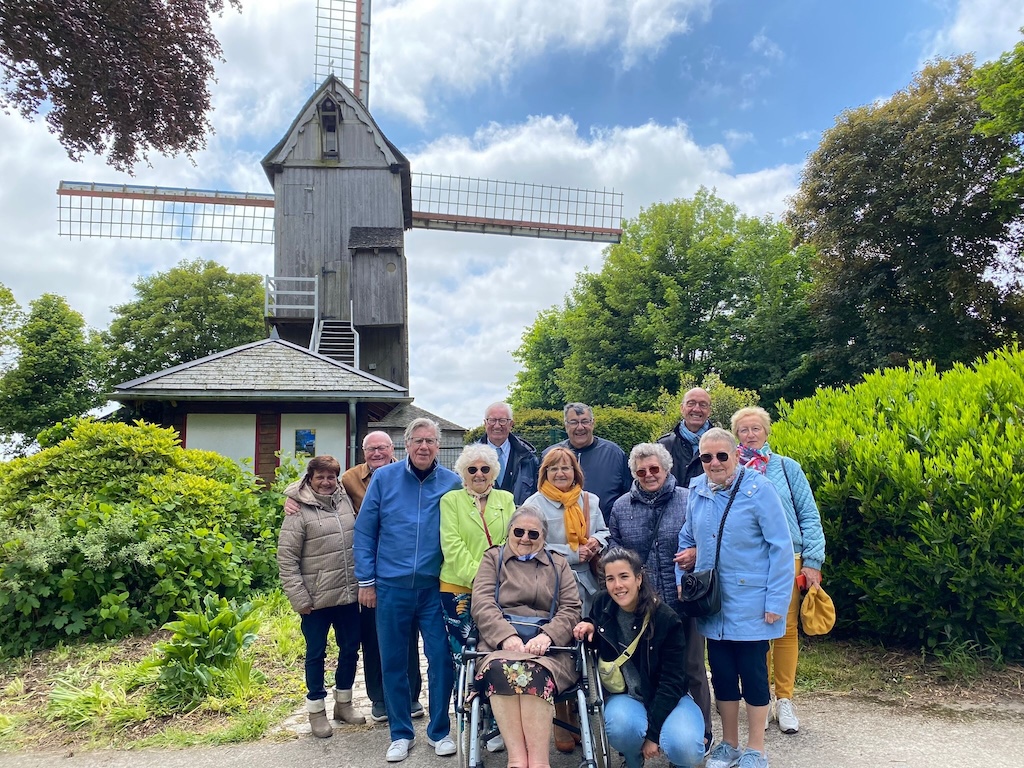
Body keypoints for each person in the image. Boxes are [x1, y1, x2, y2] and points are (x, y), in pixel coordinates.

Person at [288, 431, 424, 724]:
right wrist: (290, 498)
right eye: (371, 448)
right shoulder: (348, 480)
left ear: (393, 449)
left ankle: (410, 695)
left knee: (406, 634)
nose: (377, 453)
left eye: (382, 448)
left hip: (400, 567)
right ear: (364, 452)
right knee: (372, 636)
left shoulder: (409, 473)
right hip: (364, 573)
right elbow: (311, 486)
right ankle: (378, 698)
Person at [676, 428, 793, 768]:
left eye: (721, 456)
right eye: (706, 457)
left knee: (754, 676)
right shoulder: (697, 489)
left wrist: (776, 602)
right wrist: (685, 572)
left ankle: (756, 748)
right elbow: (687, 535)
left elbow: (781, 548)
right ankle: (729, 744)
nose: (714, 463)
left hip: (753, 602)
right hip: (714, 603)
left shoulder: (760, 489)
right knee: (723, 676)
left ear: (736, 455)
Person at [354, 418, 462, 762]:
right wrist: (366, 581)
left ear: (438, 446)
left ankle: (440, 730)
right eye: (418, 441)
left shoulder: (452, 482)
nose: (424, 447)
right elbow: (365, 531)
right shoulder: (385, 479)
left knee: (442, 659)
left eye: (430, 441)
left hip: (434, 588)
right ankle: (400, 733)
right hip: (390, 587)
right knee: (394, 661)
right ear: (406, 445)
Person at [608, 443, 713, 752]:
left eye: (654, 469)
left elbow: (707, 538)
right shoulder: (621, 507)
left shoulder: (689, 499)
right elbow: (615, 551)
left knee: (693, 669)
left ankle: (702, 734)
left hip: (683, 602)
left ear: (666, 469)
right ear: (634, 475)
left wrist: (696, 552)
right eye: (641, 471)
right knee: (643, 671)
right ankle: (648, 734)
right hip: (641, 608)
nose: (649, 475)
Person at [731, 407, 826, 735]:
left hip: (789, 558)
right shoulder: (731, 471)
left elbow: (809, 516)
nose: (750, 434)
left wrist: (813, 561)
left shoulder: (787, 468)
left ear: (767, 432)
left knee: (785, 629)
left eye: (756, 428)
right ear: (736, 435)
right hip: (746, 563)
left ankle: (784, 699)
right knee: (754, 633)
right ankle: (761, 698)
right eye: (743, 430)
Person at [573, 547, 706, 768]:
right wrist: (589, 624)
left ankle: (679, 760)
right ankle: (633, 760)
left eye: (624, 576)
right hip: (627, 697)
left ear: (638, 578)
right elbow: (599, 629)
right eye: (610, 579)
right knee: (620, 727)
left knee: (686, 748)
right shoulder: (601, 603)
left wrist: (653, 736)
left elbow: (672, 682)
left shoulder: (665, 619)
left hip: (667, 695)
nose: (618, 586)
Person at [470, 507, 582, 768]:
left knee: (532, 671)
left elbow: (571, 608)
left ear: (544, 536)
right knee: (501, 668)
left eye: (533, 533)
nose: (525, 538)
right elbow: (482, 602)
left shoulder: (558, 563)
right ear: (510, 532)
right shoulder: (493, 559)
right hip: (499, 645)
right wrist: (506, 636)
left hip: (549, 649)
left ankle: (540, 762)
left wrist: (548, 635)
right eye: (519, 531)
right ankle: (518, 760)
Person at [277, 455, 366, 738]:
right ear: (310, 479)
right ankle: (316, 711)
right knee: (315, 654)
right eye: (320, 477)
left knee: (350, 649)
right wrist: (299, 598)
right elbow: (287, 559)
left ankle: (344, 703)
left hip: (348, 594)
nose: (326, 482)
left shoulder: (344, 500)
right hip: (314, 600)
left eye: (331, 477)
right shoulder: (297, 510)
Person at [439, 443, 516, 754]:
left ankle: (498, 723)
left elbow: (511, 540)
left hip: (501, 589)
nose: (479, 474)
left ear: (494, 472)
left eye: (485, 469)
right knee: (465, 658)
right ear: (463, 473)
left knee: (497, 653)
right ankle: (472, 718)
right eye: (472, 469)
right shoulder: (451, 501)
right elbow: (452, 544)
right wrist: (484, 578)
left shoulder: (506, 500)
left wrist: (494, 579)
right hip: (458, 588)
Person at [543, 402, 630, 520]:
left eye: (585, 421)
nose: (580, 427)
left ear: (592, 423)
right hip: (559, 532)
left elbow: (628, 496)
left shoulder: (614, 454)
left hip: (605, 532)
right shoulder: (550, 456)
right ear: (566, 425)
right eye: (574, 422)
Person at [477, 402, 540, 505]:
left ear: (511, 424)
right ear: (485, 423)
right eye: (492, 420)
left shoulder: (529, 458)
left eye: (502, 421)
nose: (497, 426)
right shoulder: (470, 459)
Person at [658, 387, 713, 489]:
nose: (696, 409)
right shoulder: (663, 446)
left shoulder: (721, 445)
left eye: (703, 404)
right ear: (682, 408)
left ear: (709, 411)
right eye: (691, 403)